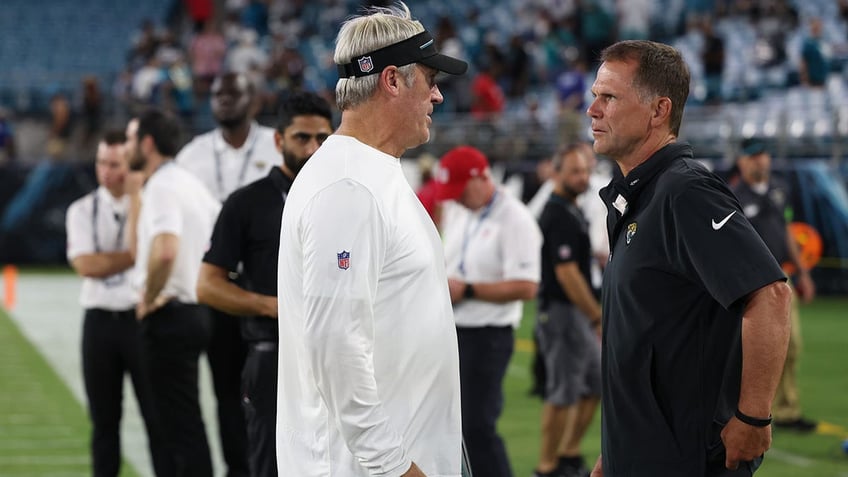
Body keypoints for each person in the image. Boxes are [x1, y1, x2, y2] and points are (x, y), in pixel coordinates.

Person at [275, 3, 468, 476]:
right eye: (430, 79)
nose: (437, 96)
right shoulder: (348, 187)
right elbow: (335, 345)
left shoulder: (367, 172)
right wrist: (395, 466)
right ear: (392, 81)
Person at [586, 40, 792, 477]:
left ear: (659, 110)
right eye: (594, 96)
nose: (593, 110)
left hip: (685, 459)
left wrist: (753, 417)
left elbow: (770, 295)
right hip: (643, 455)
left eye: (609, 97)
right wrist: (619, 449)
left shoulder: (685, 191)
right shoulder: (638, 196)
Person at [196, 91, 334, 477]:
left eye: (322, 139)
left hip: (336, 356)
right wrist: (272, 305)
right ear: (279, 141)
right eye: (302, 138)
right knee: (269, 465)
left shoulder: (344, 196)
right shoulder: (245, 203)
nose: (312, 148)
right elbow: (207, 285)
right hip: (272, 355)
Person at [176, 71, 277, 477]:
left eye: (233, 92)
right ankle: (239, 469)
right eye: (216, 92)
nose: (222, 98)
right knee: (224, 392)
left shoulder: (277, 144)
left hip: (265, 288)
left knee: (270, 390)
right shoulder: (193, 155)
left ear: (254, 100)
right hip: (217, 289)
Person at [435, 145, 542, 477]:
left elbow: (527, 286)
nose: (455, 199)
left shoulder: (515, 219)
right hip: (454, 330)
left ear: (481, 178)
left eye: (461, 191)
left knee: (477, 427)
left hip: (487, 335)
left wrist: (467, 290)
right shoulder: (461, 211)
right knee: (453, 427)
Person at [126, 109, 221, 476]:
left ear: (148, 144)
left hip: (171, 314)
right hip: (197, 311)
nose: (128, 147)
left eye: (133, 140)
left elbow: (165, 250)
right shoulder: (189, 182)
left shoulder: (164, 186)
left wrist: (148, 296)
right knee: (186, 421)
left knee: (175, 429)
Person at [65, 130, 165, 477]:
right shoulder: (80, 209)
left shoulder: (150, 204)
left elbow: (145, 254)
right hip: (99, 322)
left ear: (131, 165)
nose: (106, 171)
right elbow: (86, 266)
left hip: (140, 320)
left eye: (115, 164)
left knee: (157, 419)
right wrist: (132, 257)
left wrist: (137, 198)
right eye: (101, 163)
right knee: (104, 423)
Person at [731, 138, 817, 432]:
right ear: (742, 161)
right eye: (753, 157)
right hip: (752, 281)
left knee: (791, 346)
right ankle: (751, 411)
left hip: (781, 276)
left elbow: (787, 232)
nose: (760, 161)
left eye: (764, 155)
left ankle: (787, 410)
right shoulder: (733, 196)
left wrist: (802, 272)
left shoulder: (781, 189)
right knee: (752, 350)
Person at [533, 144, 602, 477]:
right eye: (575, 171)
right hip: (563, 312)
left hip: (573, 312)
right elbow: (567, 273)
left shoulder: (570, 208)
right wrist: (597, 316)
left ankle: (569, 454)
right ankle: (547, 466)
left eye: (585, 170)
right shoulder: (557, 213)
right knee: (563, 391)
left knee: (596, 382)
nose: (582, 177)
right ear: (556, 174)